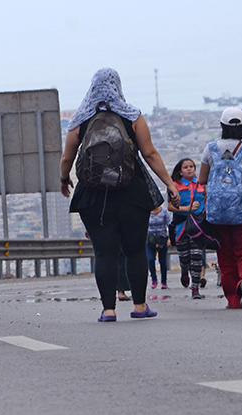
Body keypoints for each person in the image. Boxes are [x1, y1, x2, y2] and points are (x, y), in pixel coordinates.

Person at [59, 68, 179, 322]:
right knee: (135, 251)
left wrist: (63, 179)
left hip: (94, 196)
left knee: (104, 253)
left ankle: (108, 309)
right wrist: (169, 182)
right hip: (132, 193)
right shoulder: (132, 116)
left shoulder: (81, 120)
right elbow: (150, 154)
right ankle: (139, 306)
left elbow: (67, 157)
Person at [198, 107, 242, 309]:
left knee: (225, 254)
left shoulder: (210, 149)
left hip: (218, 213)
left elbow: (202, 179)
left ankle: (233, 300)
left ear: (221, 126)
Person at [170, 158, 207, 299]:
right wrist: (186, 208)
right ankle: (184, 271)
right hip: (181, 226)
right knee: (185, 257)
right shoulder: (174, 185)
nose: (189, 169)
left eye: (191, 166)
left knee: (197, 257)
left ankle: (195, 288)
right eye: (186, 167)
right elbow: (169, 206)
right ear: (180, 170)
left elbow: (206, 198)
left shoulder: (200, 184)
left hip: (197, 226)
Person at [146, 205, 169, 290]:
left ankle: (164, 281)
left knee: (162, 261)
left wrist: (169, 238)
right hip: (150, 239)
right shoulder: (147, 212)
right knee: (151, 259)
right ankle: (154, 279)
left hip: (162, 238)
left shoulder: (164, 212)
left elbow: (169, 224)